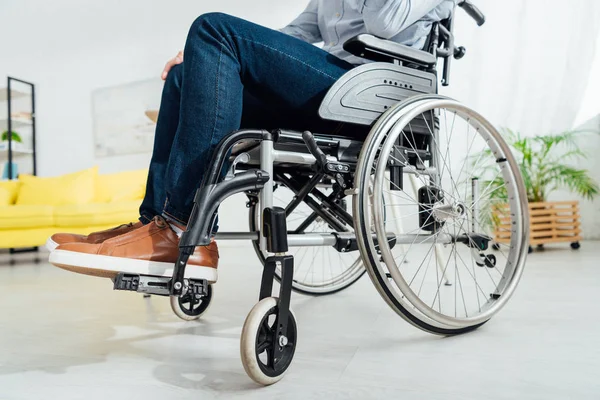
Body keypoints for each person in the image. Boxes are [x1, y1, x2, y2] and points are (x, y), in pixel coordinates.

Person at [48, 0, 457, 281]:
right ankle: (163, 223)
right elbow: (298, 32)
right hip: (329, 88)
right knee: (184, 73)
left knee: (212, 27)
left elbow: (386, 23)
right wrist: (206, 57)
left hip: (371, 90)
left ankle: (178, 229)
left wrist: (219, 42)